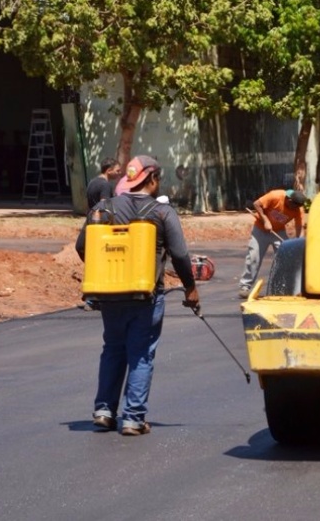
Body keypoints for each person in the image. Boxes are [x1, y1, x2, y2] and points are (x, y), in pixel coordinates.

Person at [75, 155, 200, 436]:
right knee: (141, 354)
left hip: (109, 295)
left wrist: (105, 272)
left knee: (113, 349)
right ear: (153, 180)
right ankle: (133, 418)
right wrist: (191, 287)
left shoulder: (103, 208)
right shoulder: (162, 213)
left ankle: (104, 411)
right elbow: (180, 254)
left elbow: (82, 246)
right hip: (146, 296)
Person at [238, 188, 308, 298]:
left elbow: (299, 227)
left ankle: (282, 287)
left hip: (279, 231)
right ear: (289, 200)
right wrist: (265, 220)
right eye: (294, 206)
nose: (296, 209)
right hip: (260, 229)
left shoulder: (298, 209)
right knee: (254, 256)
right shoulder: (275, 196)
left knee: (286, 256)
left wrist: (299, 243)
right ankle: (245, 286)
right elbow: (257, 204)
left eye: (298, 207)